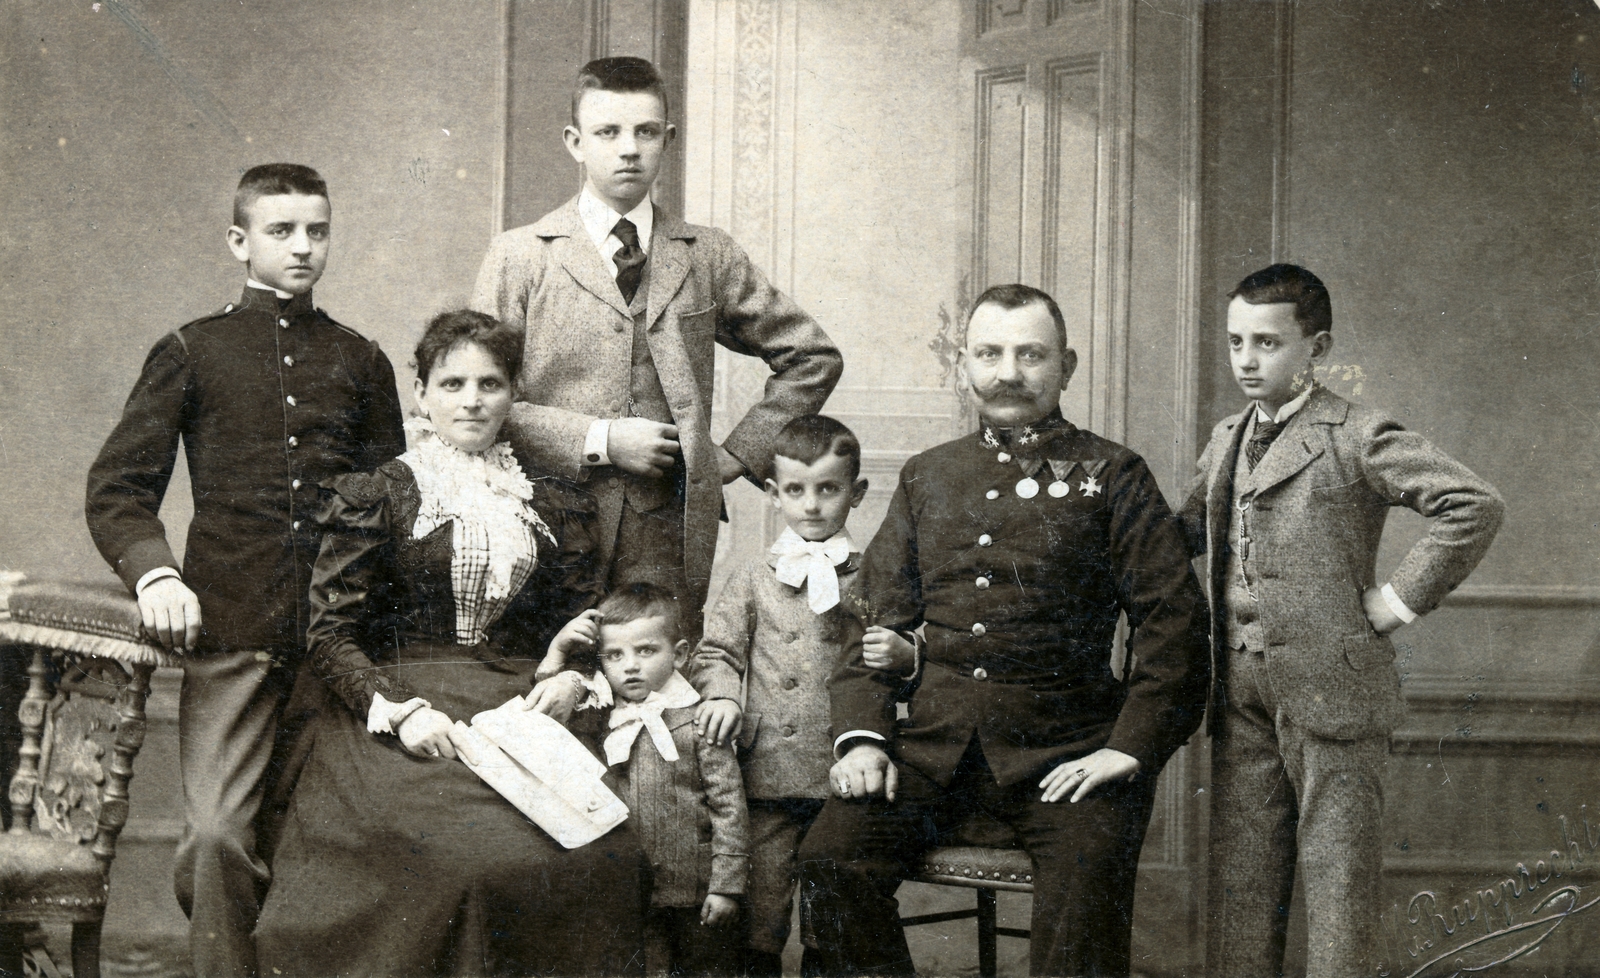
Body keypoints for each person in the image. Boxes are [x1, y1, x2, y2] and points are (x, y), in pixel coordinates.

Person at [797, 284, 1211, 977]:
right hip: (935, 754)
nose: (1008, 372)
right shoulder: (929, 475)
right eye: (989, 354)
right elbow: (870, 622)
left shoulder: (1115, 475)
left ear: (1066, 367)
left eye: (1030, 355)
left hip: (1069, 754)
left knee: (1082, 912)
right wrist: (865, 737)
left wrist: (1128, 748)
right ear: (962, 364)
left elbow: (1174, 624)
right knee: (830, 859)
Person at [83, 163, 405, 977]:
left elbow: (394, 505)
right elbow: (118, 489)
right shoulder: (193, 350)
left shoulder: (361, 360)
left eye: (317, 231)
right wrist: (156, 575)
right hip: (233, 637)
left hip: (342, 648)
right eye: (281, 230)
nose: (302, 247)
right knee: (218, 839)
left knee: (344, 841)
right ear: (240, 241)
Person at [253, 310, 642, 977]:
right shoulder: (381, 493)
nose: (471, 401)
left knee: (606, 853)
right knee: (469, 864)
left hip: (512, 707)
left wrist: (571, 674)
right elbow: (330, 633)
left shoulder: (548, 501)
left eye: (490, 384)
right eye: (452, 384)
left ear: (513, 394)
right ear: (422, 395)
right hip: (397, 710)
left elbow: (576, 620)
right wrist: (401, 712)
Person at [1177, 264, 1504, 978]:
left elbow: (1473, 504)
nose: (1246, 360)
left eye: (1267, 343)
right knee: (1243, 881)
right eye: (1236, 342)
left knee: (1338, 884)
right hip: (1238, 689)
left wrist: (1396, 602)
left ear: (1317, 347)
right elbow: (1182, 534)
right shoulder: (1227, 436)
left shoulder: (1356, 434)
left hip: (1335, 688)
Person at [471, 56, 842, 639]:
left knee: (662, 673)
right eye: (607, 132)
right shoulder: (521, 256)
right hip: (543, 520)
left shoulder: (706, 254)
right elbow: (477, 401)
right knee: (546, 671)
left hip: (665, 531)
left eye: (645, 132)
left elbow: (812, 356)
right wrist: (602, 439)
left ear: (668, 139)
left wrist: (738, 454)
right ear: (574, 142)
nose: (629, 149)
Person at [689, 414, 914, 976]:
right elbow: (716, 651)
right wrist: (723, 697)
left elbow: (891, 665)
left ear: (856, 493)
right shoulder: (753, 574)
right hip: (767, 769)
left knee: (831, 911)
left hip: (839, 768)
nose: (811, 506)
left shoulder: (874, 577)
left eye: (828, 489)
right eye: (795, 490)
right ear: (773, 494)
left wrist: (903, 653)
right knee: (760, 910)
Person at [589, 582, 749, 977]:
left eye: (646, 651)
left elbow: (729, 806)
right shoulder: (604, 722)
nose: (630, 666)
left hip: (696, 888)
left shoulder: (699, 721)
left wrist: (726, 886)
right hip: (633, 890)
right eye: (614, 655)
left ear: (678, 655)